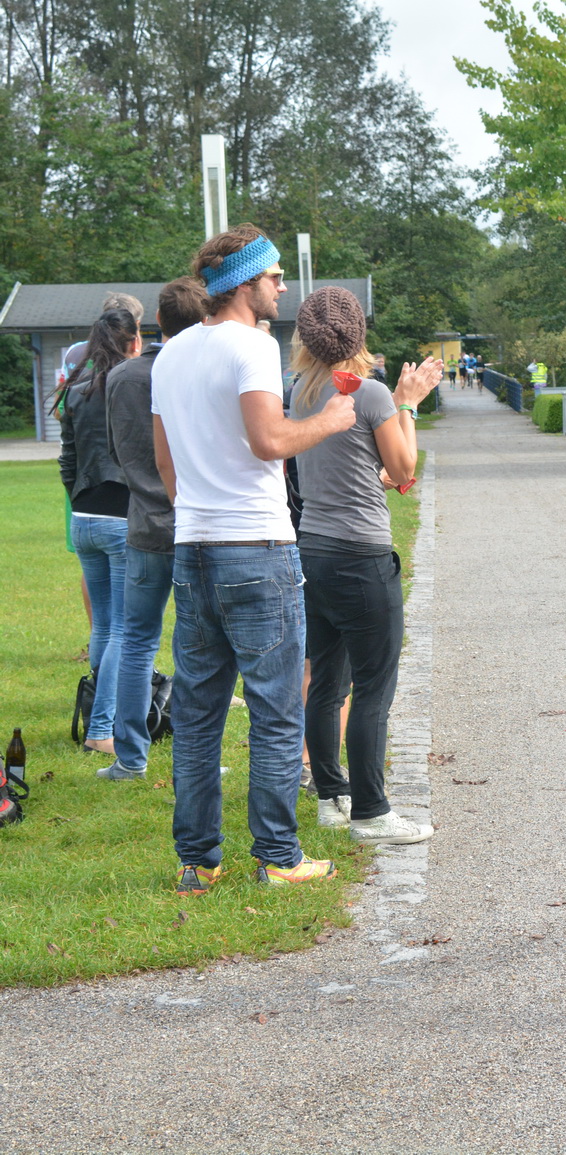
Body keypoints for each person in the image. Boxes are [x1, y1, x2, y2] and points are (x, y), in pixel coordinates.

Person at [152, 224, 358, 894]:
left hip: (193, 547)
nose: (283, 288)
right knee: (275, 711)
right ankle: (278, 856)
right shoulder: (254, 345)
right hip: (257, 549)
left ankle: (197, 861)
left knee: (197, 715)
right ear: (244, 283)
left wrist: (199, 514)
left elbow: (165, 462)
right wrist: (331, 419)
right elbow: (269, 440)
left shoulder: (171, 354)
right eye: (274, 277)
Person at [289, 286, 440, 846]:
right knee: (374, 686)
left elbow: (350, 462)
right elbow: (402, 469)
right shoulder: (369, 392)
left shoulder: (301, 391)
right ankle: (372, 812)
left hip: (314, 550)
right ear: (358, 332)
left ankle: (333, 797)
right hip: (361, 556)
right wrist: (408, 404)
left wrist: (393, 402)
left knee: (326, 683)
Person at [99, 278, 209, 780]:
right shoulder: (200, 372)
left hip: (144, 524)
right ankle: (195, 757)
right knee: (196, 649)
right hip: (194, 526)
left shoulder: (122, 376)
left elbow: (116, 451)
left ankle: (130, 759)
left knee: (137, 641)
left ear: (157, 322)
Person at [59, 308, 141, 756]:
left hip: (84, 516)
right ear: (133, 341)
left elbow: (67, 460)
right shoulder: (130, 386)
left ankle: (100, 716)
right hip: (119, 516)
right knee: (124, 629)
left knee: (106, 626)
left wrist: (78, 499)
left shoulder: (76, 389)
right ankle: (101, 729)